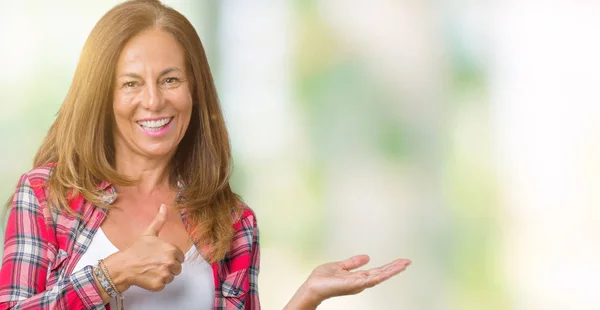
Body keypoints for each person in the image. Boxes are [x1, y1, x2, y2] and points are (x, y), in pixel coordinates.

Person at [0, 0, 411, 309]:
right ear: (102, 97)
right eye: (130, 83)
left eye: (171, 79)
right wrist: (115, 273)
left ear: (194, 90)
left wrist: (306, 297)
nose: (153, 100)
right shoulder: (45, 196)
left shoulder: (233, 223)